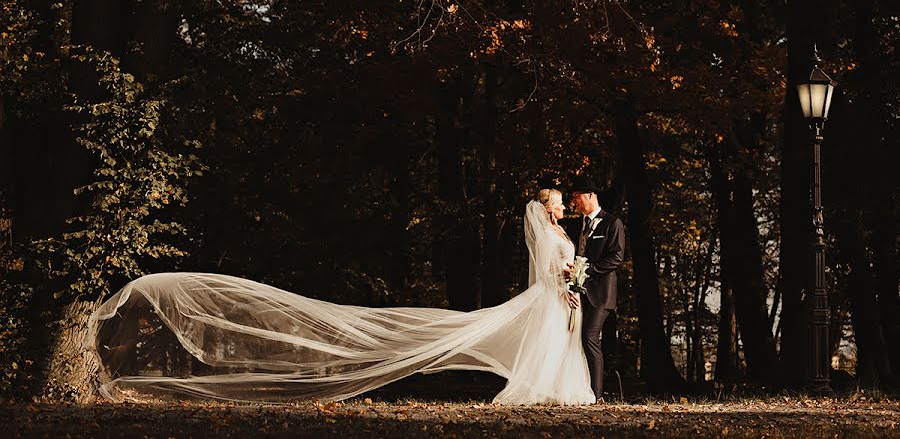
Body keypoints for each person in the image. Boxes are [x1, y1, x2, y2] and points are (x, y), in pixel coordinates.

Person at [87, 189, 595, 405]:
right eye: (558, 204)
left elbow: (561, 269)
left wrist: (574, 280)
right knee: (541, 341)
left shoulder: (557, 232)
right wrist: (567, 283)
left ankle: (564, 390)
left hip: (561, 297)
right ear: (549, 212)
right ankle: (542, 389)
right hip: (555, 297)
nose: (562, 209)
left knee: (556, 345)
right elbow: (551, 269)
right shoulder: (551, 236)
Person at [562, 174, 626, 403]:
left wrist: (585, 271)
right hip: (578, 292)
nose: (574, 202)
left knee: (589, 336)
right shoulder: (574, 225)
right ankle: (581, 390)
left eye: (577, 197)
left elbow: (616, 258)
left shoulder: (612, 223)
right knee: (576, 338)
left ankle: (597, 395)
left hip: (601, 294)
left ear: (590, 196)